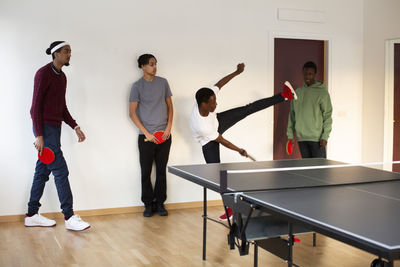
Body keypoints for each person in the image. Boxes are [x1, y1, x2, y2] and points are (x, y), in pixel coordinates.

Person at [189, 63, 296, 220]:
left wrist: (236, 72)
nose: (216, 103)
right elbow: (222, 141)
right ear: (204, 104)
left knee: (248, 109)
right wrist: (240, 150)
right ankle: (230, 207)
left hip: (218, 121)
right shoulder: (202, 126)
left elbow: (220, 83)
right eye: (213, 102)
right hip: (208, 142)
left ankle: (284, 96)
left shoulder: (206, 102)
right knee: (220, 177)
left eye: (215, 99)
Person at [26, 41, 90, 231]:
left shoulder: (62, 77)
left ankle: (31, 214)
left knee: (42, 172)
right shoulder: (43, 73)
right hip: (44, 129)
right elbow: (34, 108)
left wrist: (75, 126)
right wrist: (39, 135)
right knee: (61, 171)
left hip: (54, 129)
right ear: (56, 54)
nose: (70, 54)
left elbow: (61, 108)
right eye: (66, 51)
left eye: (70, 51)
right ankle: (69, 217)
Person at [129, 54, 173, 217]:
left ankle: (160, 203)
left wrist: (168, 127)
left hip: (165, 136)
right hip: (146, 137)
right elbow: (132, 113)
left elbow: (170, 106)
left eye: (155, 64)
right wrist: (147, 133)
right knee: (146, 172)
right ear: (142, 66)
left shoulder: (163, 83)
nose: (154, 67)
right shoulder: (136, 86)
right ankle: (148, 205)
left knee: (161, 171)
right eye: (151, 64)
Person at [286, 61, 333, 158]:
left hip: (317, 140)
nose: (307, 76)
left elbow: (327, 116)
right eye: (305, 74)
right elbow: (292, 116)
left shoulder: (322, 93)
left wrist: (325, 137)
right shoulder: (297, 93)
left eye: (310, 74)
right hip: (302, 139)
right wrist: (290, 136)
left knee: (320, 171)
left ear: (315, 74)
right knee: (307, 171)